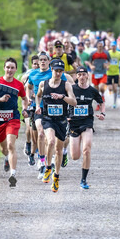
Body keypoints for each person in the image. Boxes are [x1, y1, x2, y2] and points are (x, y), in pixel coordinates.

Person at [0, 57, 27, 188]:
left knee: (11, 144)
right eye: (8, 67)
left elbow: (25, 98)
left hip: (13, 118)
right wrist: (0, 99)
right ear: (4, 68)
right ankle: (7, 157)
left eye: (12, 67)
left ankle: (13, 175)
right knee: (4, 149)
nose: (10, 70)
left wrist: (25, 109)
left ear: (16, 69)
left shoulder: (19, 84)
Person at [37, 59, 76, 193]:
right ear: (51, 70)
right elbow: (37, 96)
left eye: (61, 71)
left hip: (61, 120)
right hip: (48, 119)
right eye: (56, 70)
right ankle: (48, 167)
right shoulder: (43, 84)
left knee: (59, 150)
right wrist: (37, 106)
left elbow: (74, 102)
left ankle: (56, 176)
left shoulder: (66, 85)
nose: (58, 73)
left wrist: (62, 97)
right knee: (51, 141)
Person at [69, 67, 105, 190]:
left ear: (87, 76)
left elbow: (101, 102)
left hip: (87, 122)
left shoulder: (92, 90)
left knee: (87, 149)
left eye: (84, 74)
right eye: (79, 74)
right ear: (77, 77)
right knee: (75, 156)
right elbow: (64, 102)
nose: (82, 77)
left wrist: (102, 113)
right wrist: (65, 116)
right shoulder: (71, 89)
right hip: (73, 123)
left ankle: (83, 179)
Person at [106, 39, 120, 108]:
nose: (113, 47)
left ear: (116, 46)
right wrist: (106, 66)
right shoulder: (108, 53)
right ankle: (110, 91)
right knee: (110, 88)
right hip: (109, 73)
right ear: (110, 46)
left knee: (115, 88)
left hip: (116, 72)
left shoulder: (119, 53)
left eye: (114, 46)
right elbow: (105, 61)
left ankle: (114, 103)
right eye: (112, 46)